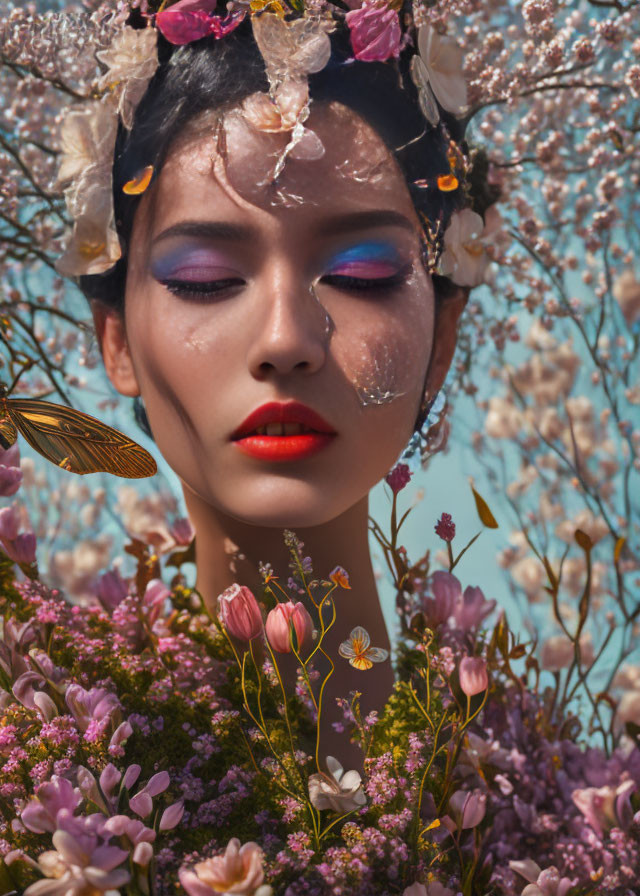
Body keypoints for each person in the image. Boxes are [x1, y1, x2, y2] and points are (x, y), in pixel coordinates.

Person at [59, 6, 493, 769]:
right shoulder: (37, 780)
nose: (286, 339)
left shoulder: (562, 822)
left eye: (363, 274)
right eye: (206, 279)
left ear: (443, 340)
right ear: (116, 340)